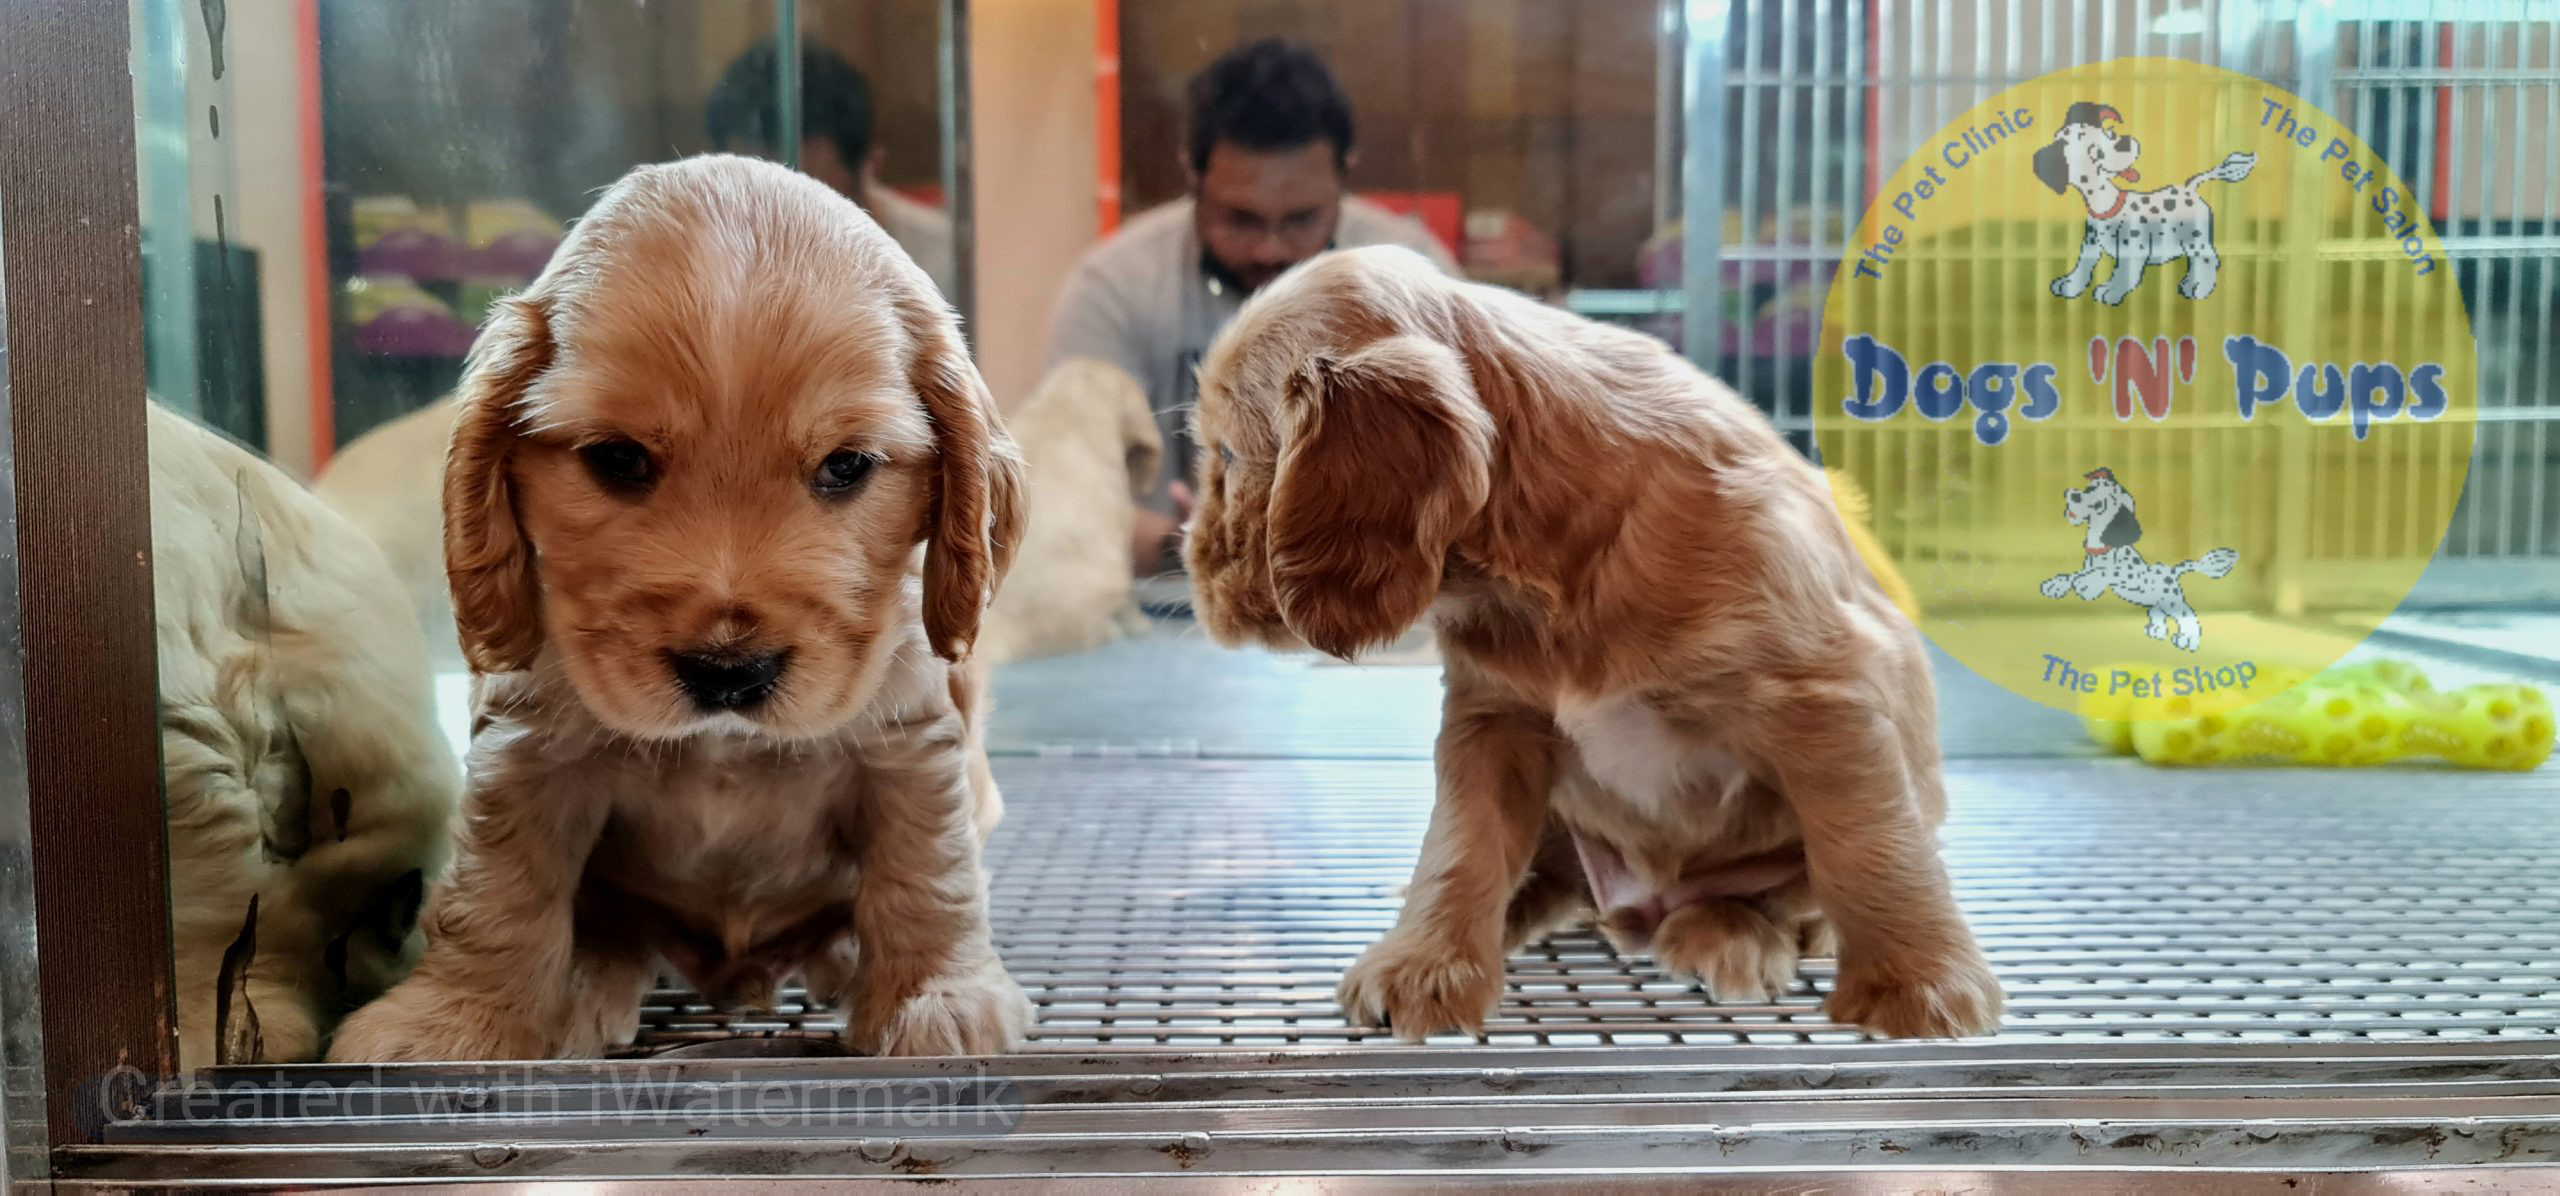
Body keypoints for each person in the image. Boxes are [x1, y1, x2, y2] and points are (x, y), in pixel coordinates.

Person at [1043, 39, 1460, 575]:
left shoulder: (1416, 277)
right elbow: (1065, 500)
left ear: (1344, 176)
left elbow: (1482, 474)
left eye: (1301, 219)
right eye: (1241, 219)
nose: (1272, 250)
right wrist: (1190, 540)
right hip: (1176, 603)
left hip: (1371, 594)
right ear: (1191, 178)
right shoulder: (1116, 288)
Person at [705, 39, 957, 298]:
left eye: (815, 203)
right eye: (754, 201)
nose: (783, 229)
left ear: (870, 169)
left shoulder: (946, 269)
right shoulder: (711, 265)